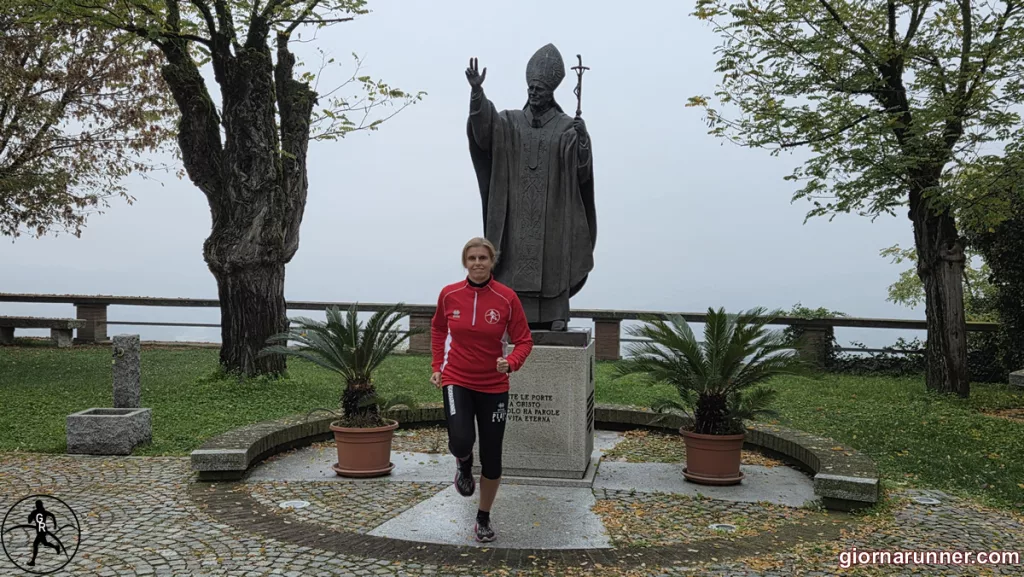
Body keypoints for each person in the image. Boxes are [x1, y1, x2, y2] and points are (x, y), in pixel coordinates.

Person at [464, 44, 597, 332]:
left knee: (555, 259)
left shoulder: (565, 127)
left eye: (540, 89)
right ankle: (514, 315)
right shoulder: (510, 122)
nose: (534, 93)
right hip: (516, 212)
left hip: (553, 212)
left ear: (552, 92)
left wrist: (582, 140)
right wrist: (477, 94)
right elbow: (485, 131)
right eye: (531, 88)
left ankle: (556, 313)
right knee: (511, 260)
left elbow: (581, 171)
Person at [430, 237, 534, 543]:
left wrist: (511, 361)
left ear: (492, 262)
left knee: (493, 458)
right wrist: (438, 366)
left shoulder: (506, 298)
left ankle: (483, 517)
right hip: (456, 378)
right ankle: (463, 462)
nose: (477, 263)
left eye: (483, 258)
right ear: (465, 262)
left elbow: (524, 340)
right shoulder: (449, 295)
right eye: (472, 258)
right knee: (460, 439)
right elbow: (438, 329)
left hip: (493, 385)